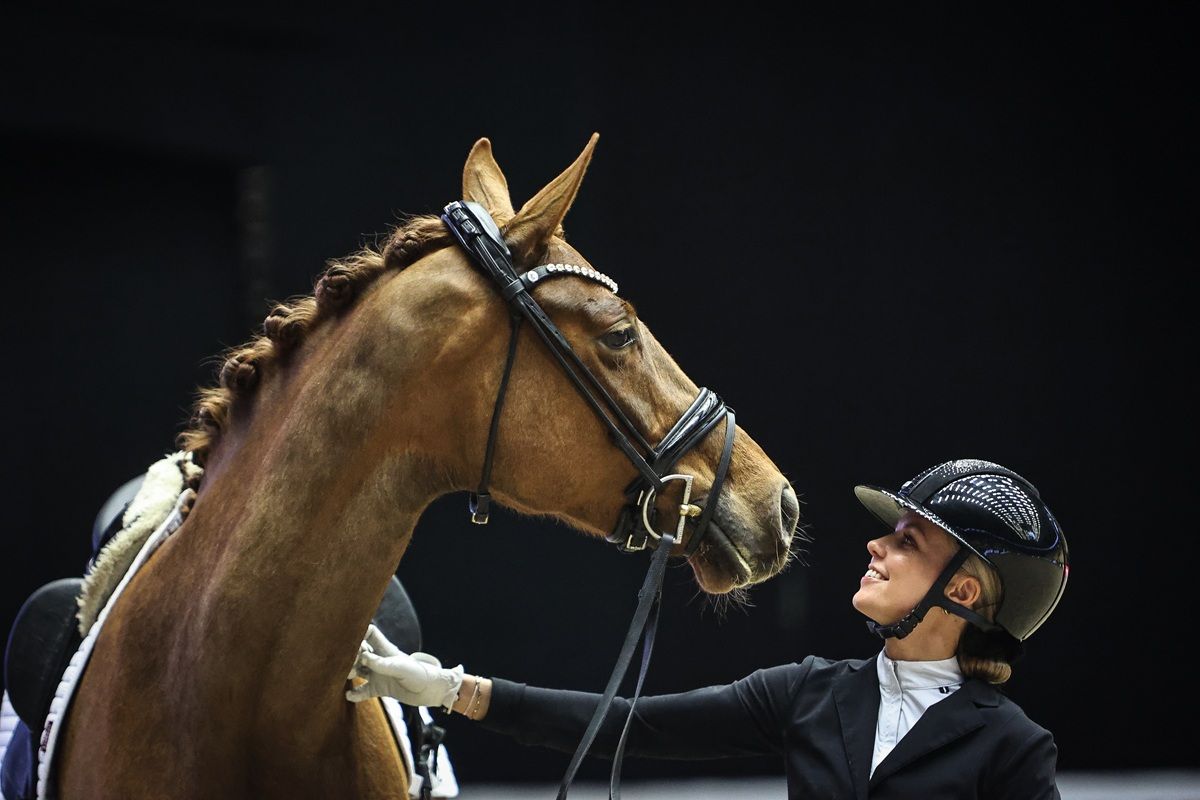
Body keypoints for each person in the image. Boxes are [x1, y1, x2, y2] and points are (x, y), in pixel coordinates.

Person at [346, 458, 1070, 799]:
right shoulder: (812, 695)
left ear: (961, 592)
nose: (876, 545)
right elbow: (629, 725)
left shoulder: (1012, 748)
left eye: (908, 542)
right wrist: (450, 690)